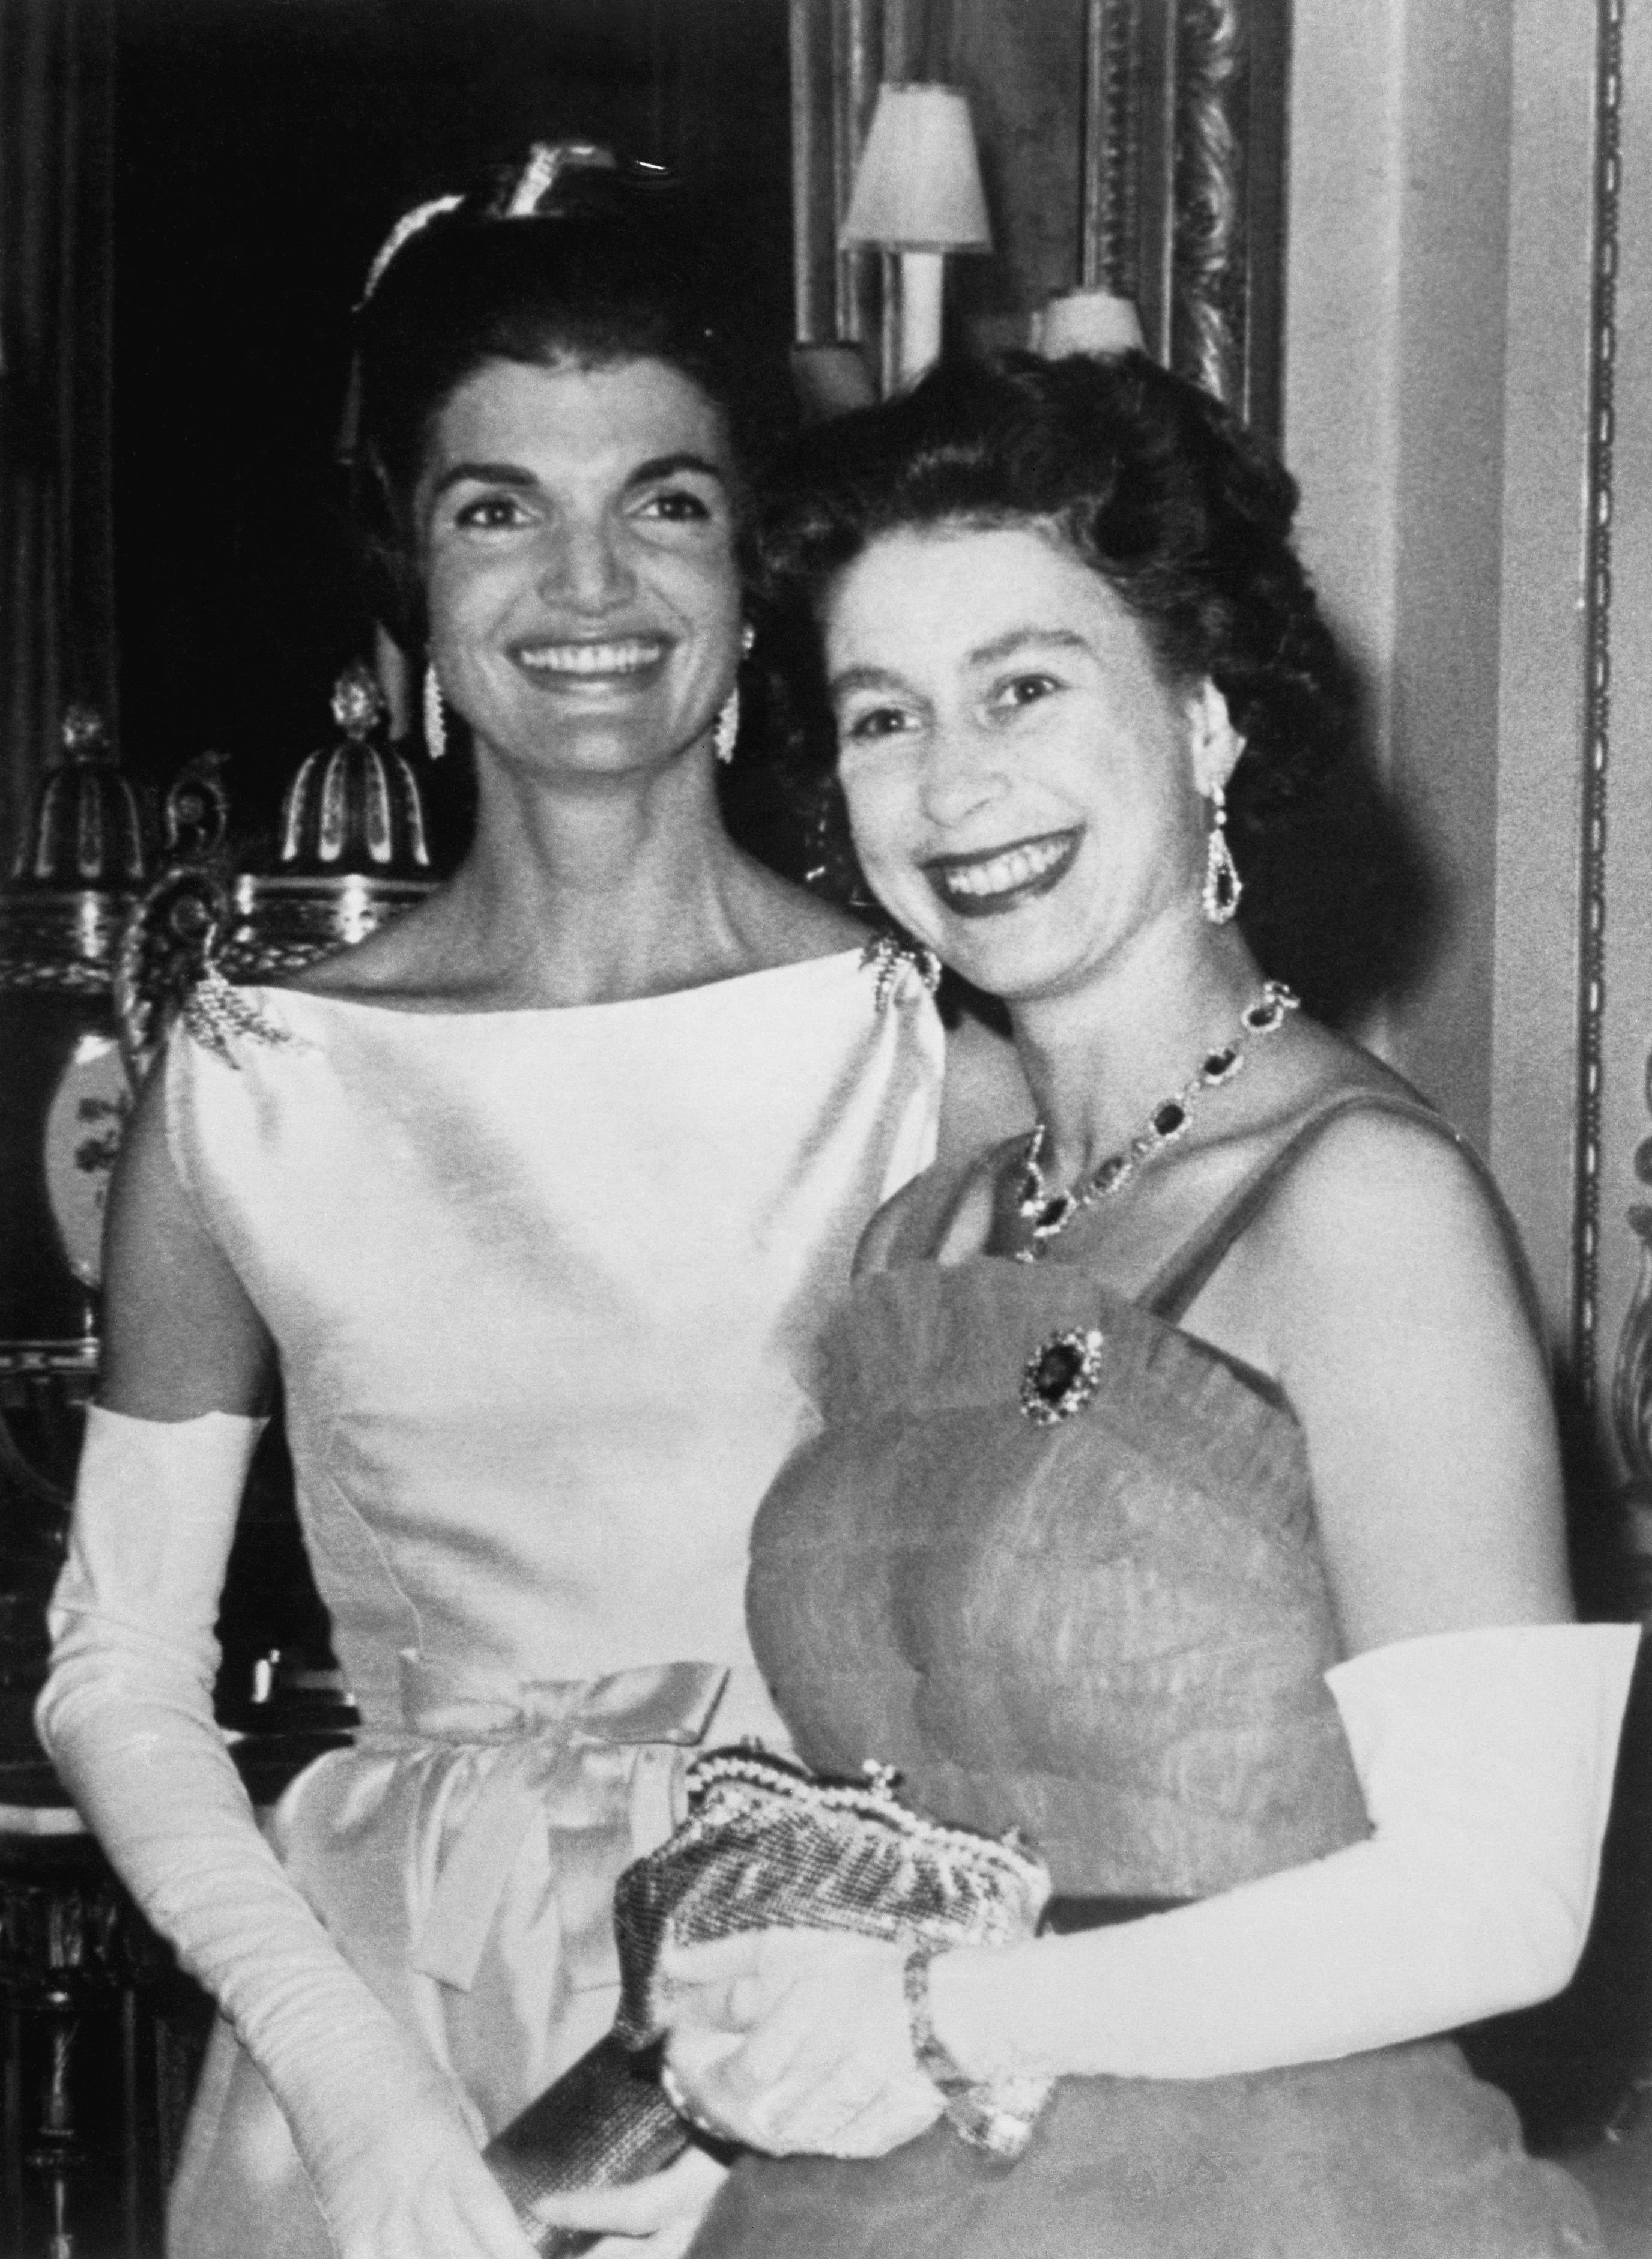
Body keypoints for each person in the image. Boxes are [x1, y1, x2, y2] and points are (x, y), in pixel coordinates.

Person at [34, 149, 1018, 2259]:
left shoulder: (936, 1068)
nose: (590, 584)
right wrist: (354, 2081)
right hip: (386, 2039)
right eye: (502, 509)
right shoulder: (247, 1086)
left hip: (811, 2008)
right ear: (409, 573)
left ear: (757, 568)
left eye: (662, 500)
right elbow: (116, 1662)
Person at [658, 351, 1642, 2258]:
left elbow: (1505, 1895)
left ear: (1202, 720)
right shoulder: (925, 1237)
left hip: (1274, 2204)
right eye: (883, 716)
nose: (955, 785)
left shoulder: (1361, 1208)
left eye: (1025, 686)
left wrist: (952, 2017)